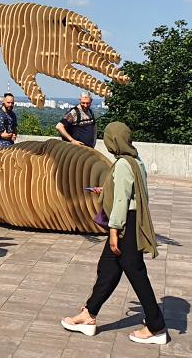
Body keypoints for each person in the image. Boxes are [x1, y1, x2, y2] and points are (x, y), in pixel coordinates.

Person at [61, 121, 167, 345]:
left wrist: (113, 232)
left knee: (136, 273)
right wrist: (106, 189)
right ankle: (89, 315)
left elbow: (121, 201)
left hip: (124, 224)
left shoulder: (122, 165)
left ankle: (156, 327)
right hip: (132, 220)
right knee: (108, 269)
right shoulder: (136, 161)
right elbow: (132, 193)